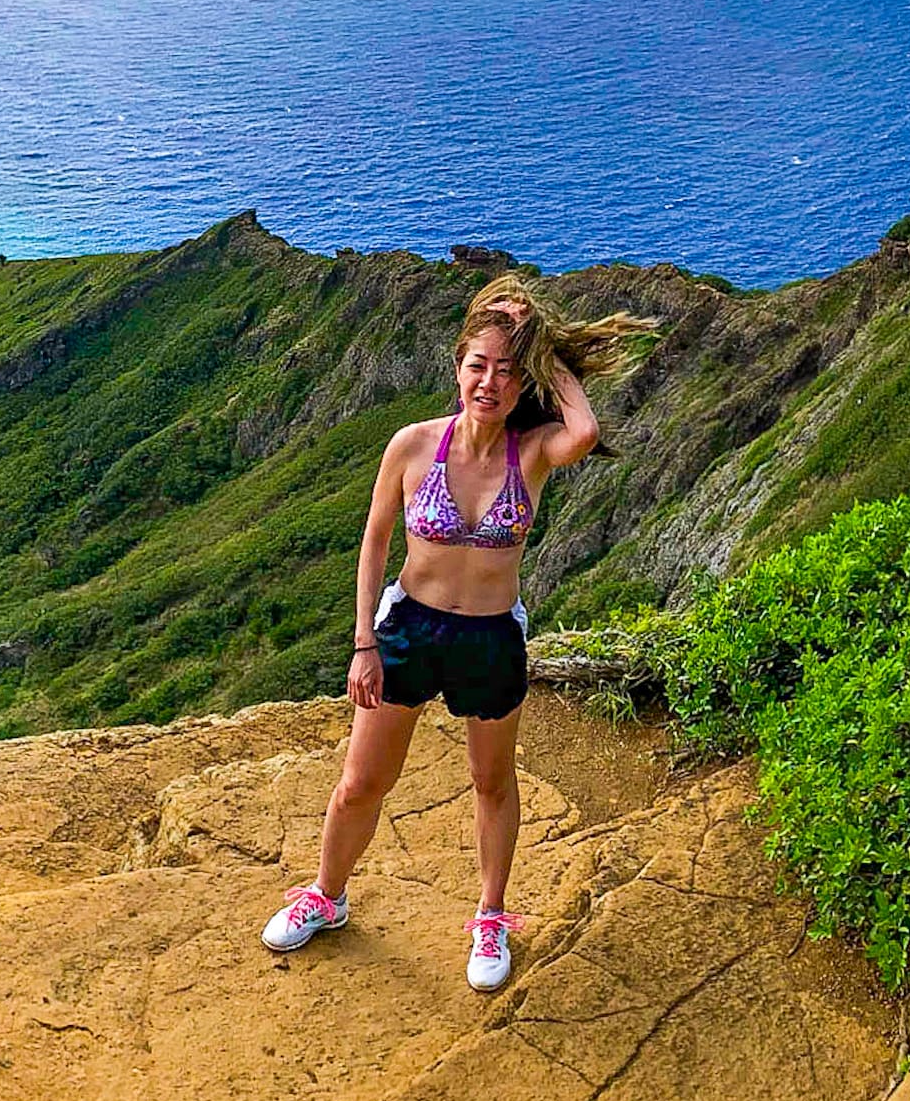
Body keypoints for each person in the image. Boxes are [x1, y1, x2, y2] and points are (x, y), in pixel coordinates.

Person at [260, 274, 655, 990]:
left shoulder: (532, 452)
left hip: (490, 638)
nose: (490, 382)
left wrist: (541, 343)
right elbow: (374, 543)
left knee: (491, 782)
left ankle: (490, 915)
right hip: (409, 626)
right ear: (456, 367)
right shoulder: (412, 447)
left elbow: (587, 430)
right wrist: (363, 643)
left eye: (508, 370)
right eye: (478, 364)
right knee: (361, 783)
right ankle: (327, 895)